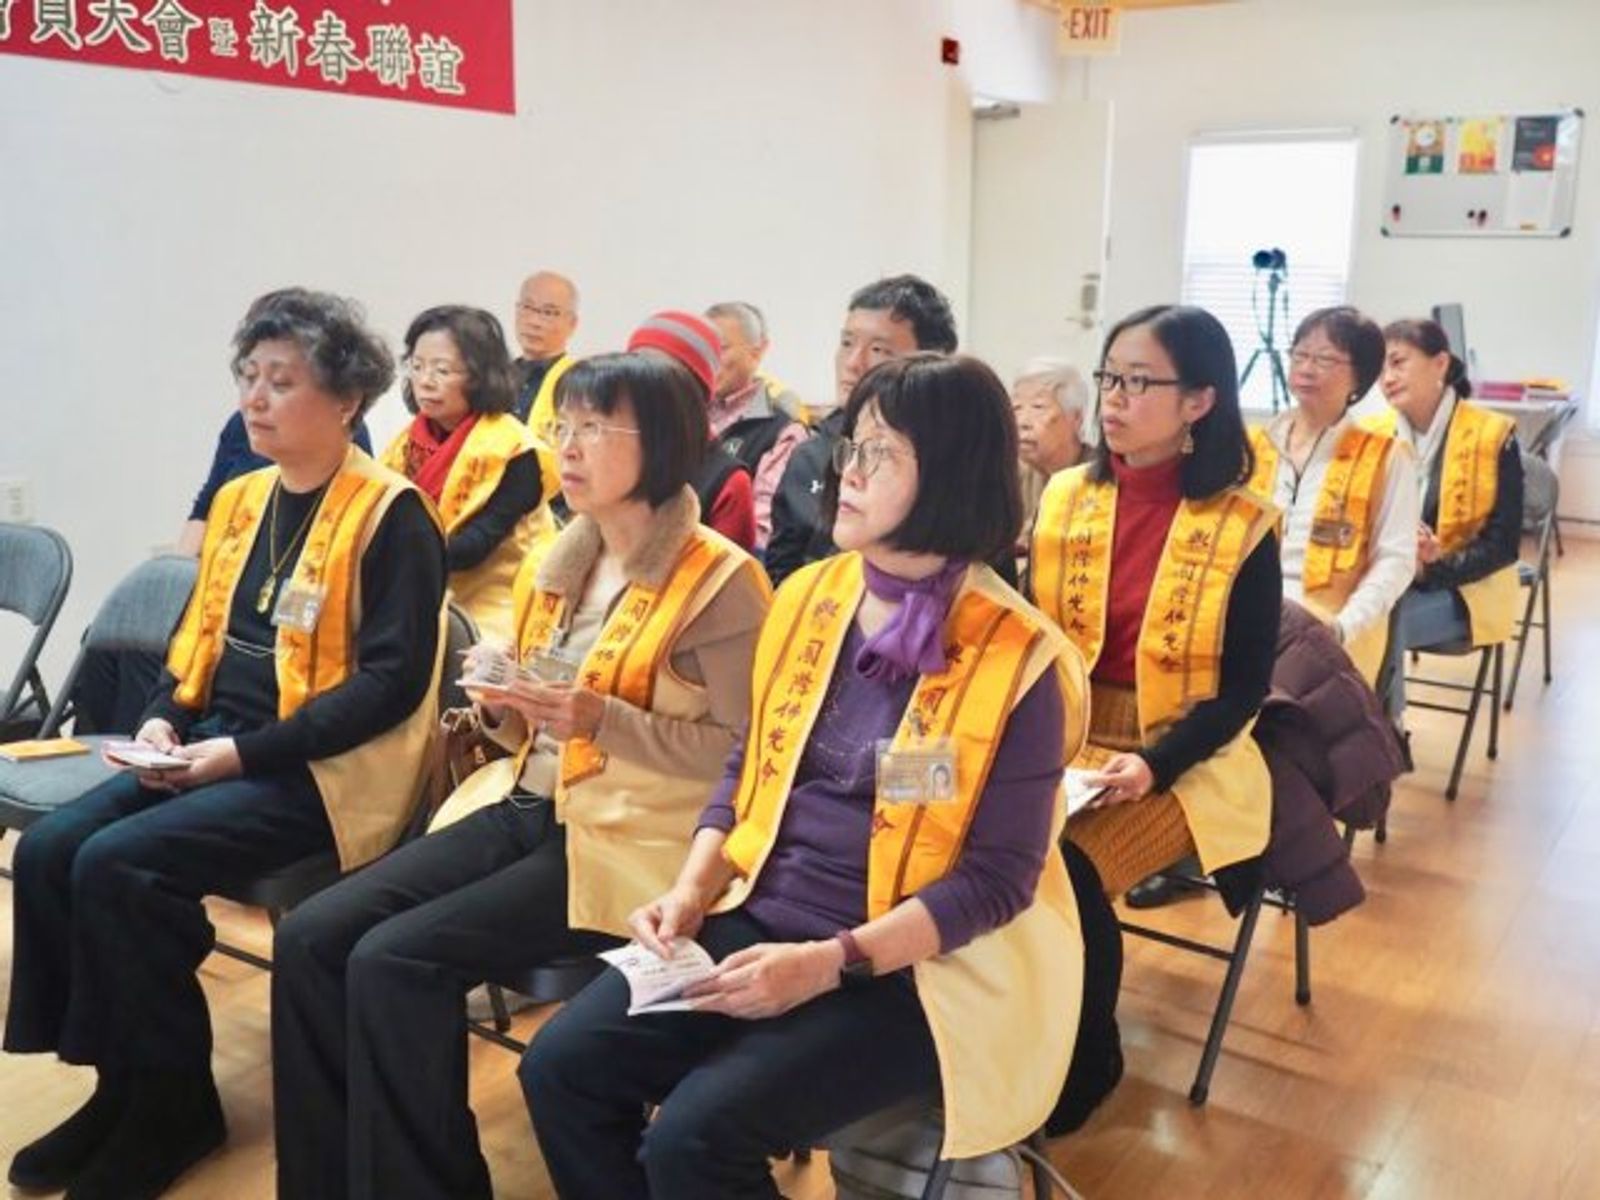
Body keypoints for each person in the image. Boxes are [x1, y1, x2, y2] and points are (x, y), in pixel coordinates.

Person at [522, 353, 1089, 1200]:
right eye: (852, 446)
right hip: (757, 912)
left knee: (693, 1137)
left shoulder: (1020, 658)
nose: (845, 473)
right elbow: (751, 765)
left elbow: (996, 883)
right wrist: (690, 890)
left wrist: (830, 962)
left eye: (881, 454)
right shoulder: (811, 596)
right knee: (561, 1068)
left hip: (910, 967)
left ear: (952, 474)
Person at [270, 332, 771, 1200]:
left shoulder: (721, 581)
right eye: (563, 426)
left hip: (630, 841)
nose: (566, 448)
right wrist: (502, 703)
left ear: (661, 445)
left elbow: (747, 753)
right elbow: (531, 731)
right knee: (311, 935)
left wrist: (600, 719)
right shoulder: (564, 556)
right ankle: (323, 1182)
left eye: (594, 430)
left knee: (393, 962)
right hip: (525, 804)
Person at [4, 289, 447, 1200]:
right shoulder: (244, 499)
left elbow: (391, 686)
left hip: (318, 774)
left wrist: (240, 757)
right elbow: (200, 639)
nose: (255, 398)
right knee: (50, 850)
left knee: (118, 867)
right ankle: (120, 1085)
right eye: (249, 376)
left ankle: (173, 1104)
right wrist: (165, 715)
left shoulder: (393, 515)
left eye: (282, 381)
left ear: (348, 400)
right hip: (211, 745)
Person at [1029, 305, 1281, 1128]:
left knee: (1066, 869)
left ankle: (1088, 1055)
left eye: (1139, 382)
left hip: (1181, 757)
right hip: (1063, 732)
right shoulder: (1065, 497)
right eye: (1109, 377)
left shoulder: (1241, 524)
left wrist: (1155, 764)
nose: (1114, 398)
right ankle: (998, 1033)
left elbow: (1243, 690)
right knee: (964, 832)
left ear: (1199, 401)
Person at [1242, 306, 1418, 684]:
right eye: (1300, 355)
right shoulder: (1253, 445)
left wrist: (1341, 628)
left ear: (1360, 377)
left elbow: (1396, 560)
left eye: (1324, 359)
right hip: (1244, 621)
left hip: (1329, 634)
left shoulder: (1387, 456)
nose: (1306, 368)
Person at [765, 274, 959, 586]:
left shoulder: (954, 457)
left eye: (879, 349)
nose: (853, 362)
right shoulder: (811, 454)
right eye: (847, 343)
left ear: (931, 361)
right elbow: (780, 572)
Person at [1371, 318, 1523, 713]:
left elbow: (1503, 546)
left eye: (1398, 362)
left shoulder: (1493, 435)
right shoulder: (1375, 433)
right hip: (1390, 578)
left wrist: (1432, 567)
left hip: (1465, 590)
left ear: (1440, 363)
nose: (1386, 378)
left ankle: (1384, 733)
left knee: (1377, 621)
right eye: (1380, 368)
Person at [380, 305, 556, 642]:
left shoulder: (516, 450)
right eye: (417, 366)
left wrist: (393, 553)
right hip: (419, 590)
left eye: (442, 370)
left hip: (495, 605)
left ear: (479, 376)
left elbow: (476, 545)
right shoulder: (406, 443)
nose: (425, 381)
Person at [628, 310, 757, 551]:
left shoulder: (726, 480)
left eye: (655, 376)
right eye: (632, 372)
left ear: (692, 390)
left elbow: (728, 569)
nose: (638, 389)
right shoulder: (619, 455)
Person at [704, 301, 808, 551]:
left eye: (721, 348)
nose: (709, 360)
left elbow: (762, 532)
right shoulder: (684, 412)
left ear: (757, 352)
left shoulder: (783, 431)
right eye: (703, 348)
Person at [1012, 355, 1091, 534]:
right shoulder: (1012, 476)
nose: (1022, 422)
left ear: (1076, 418)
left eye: (1038, 407)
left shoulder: (1100, 477)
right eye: (1016, 408)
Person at [510, 270, 580, 433]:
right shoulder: (497, 377)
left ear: (572, 323)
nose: (534, 321)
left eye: (548, 313)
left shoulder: (578, 382)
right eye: (527, 307)